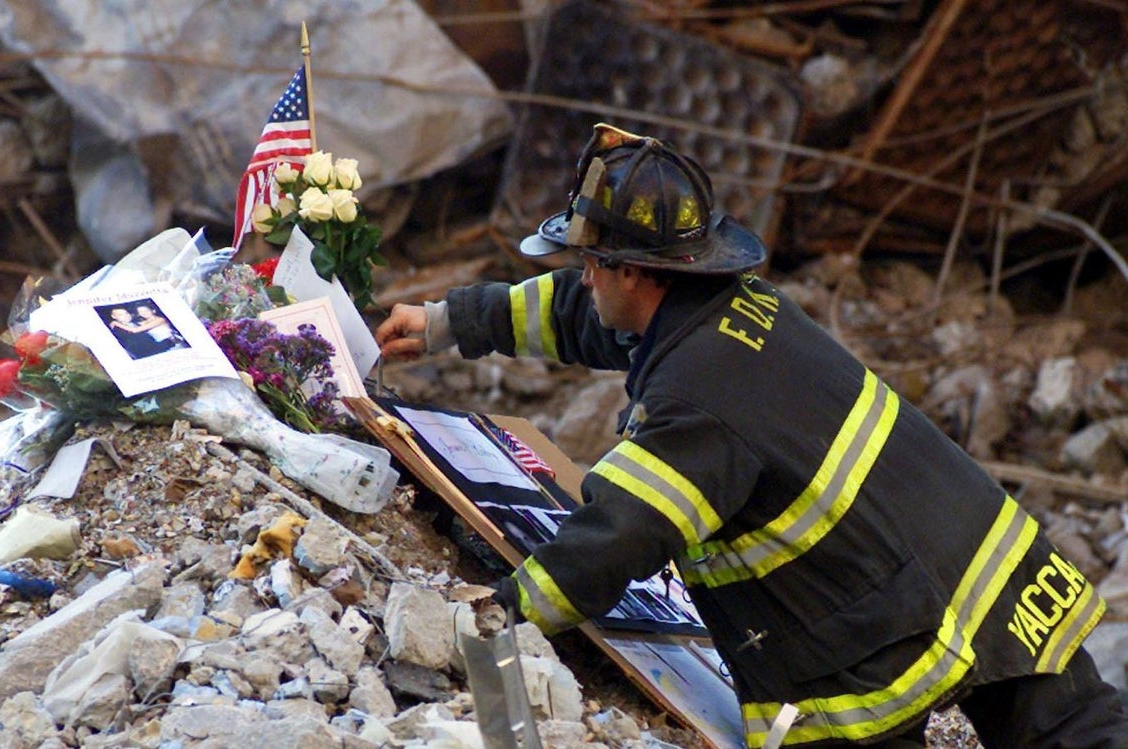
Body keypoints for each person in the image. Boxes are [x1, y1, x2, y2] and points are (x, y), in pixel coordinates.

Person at [375, 123, 1128, 747]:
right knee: (1081, 728)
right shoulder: (730, 303)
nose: (583, 277)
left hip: (874, 620)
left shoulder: (698, 400)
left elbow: (617, 536)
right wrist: (451, 323)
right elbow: (592, 317)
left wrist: (499, 610)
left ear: (633, 270)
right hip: (987, 561)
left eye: (589, 263)